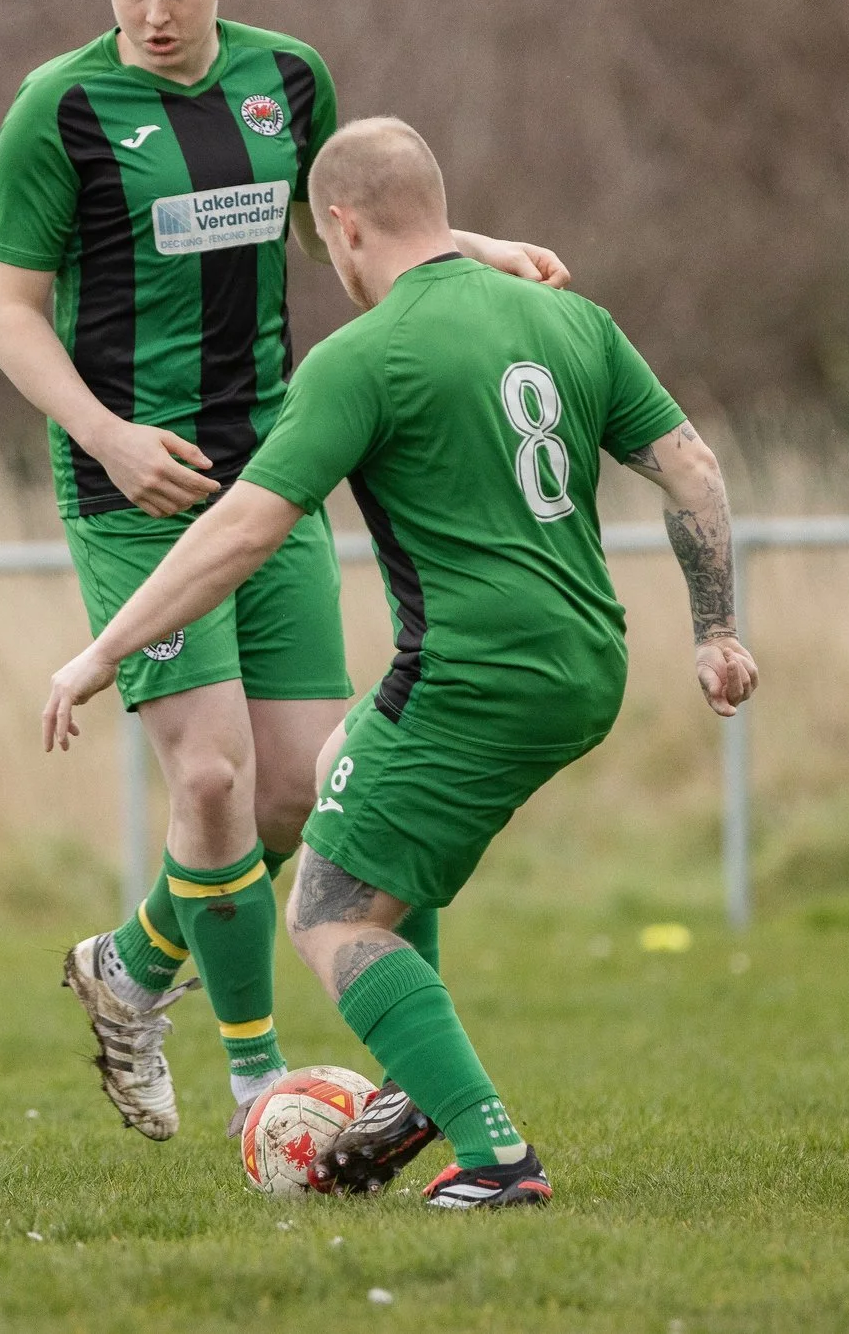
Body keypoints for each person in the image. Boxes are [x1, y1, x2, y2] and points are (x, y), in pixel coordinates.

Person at [42, 116, 758, 1208]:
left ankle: (490, 1153)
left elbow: (239, 531)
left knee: (326, 909)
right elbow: (694, 468)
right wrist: (715, 627)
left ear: (340, 228)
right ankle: (403, 1087)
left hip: (473, 675)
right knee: (345, 766)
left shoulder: (359, 359)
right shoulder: (569, 319)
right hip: (586, 661)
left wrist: (103, 649)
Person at [0, 0, 568, 1138]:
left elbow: (344, 226)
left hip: (270, 476)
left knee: (299, 795)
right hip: (132, 490)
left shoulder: (286, 81)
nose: (154, 13)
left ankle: (131, 967)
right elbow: (6, 314)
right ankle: (261, 1091)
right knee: (208, 784)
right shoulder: (59, 110)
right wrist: (105, 431)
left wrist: (475, 246)